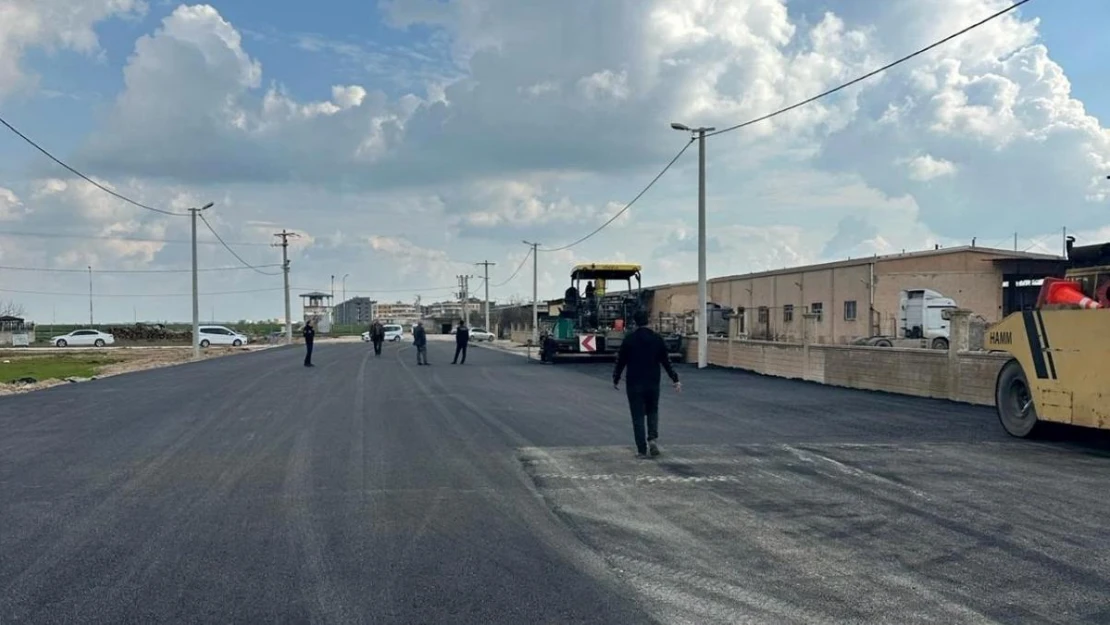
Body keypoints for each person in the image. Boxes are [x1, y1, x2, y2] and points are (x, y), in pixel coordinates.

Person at [613, 310, 681, 458]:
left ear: (635, 322)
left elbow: (621, 361)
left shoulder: (629, 339)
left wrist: (616, 378)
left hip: (634, 383)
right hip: (652, 382)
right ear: (648, 321)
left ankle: (641, 450)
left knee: (637, 416)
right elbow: (666, 361)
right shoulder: (657, 339)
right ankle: (652, 438)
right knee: (652, 411)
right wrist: (675, 379)